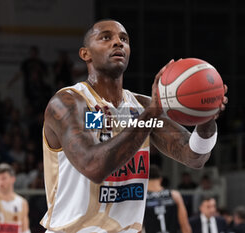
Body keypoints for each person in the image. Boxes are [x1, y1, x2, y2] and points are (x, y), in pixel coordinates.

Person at [41, 19, 228, 232]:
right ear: (86, 54)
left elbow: (194, 156)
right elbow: (93, 167)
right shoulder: (67, 103)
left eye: (124, 39)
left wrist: (205, 119)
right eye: (106, 37)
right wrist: (150, 115)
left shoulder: (142, 106)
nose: (118, 43)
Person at [144, 165, 192, 233]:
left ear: (145, 180)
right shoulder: (174, 195)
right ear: (161, 179)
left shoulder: (143, 199)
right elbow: (185, 225)